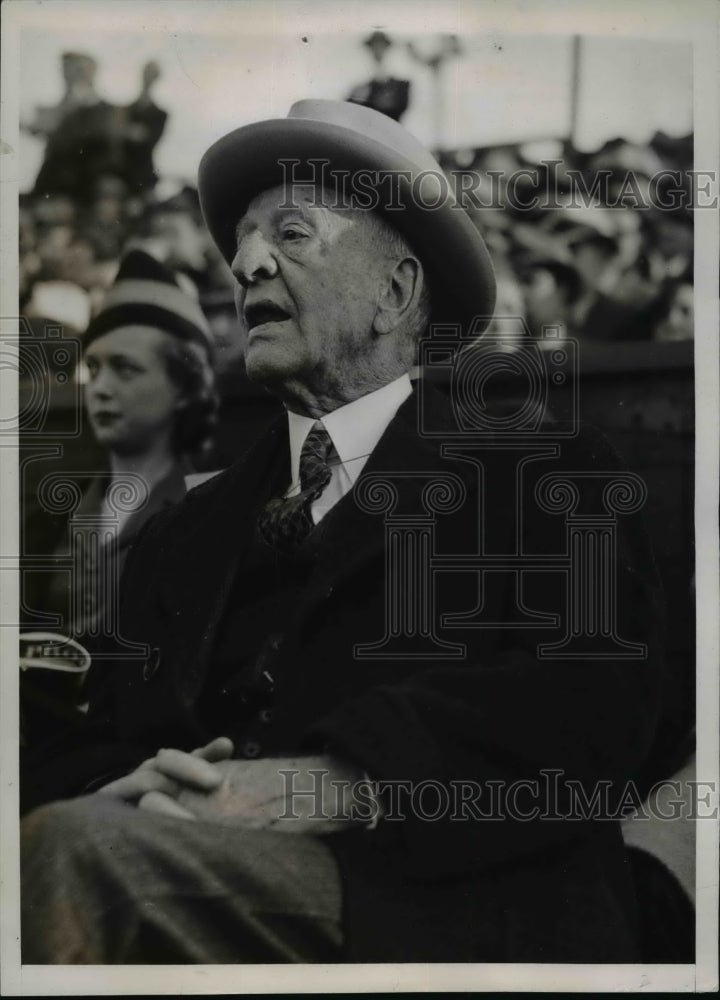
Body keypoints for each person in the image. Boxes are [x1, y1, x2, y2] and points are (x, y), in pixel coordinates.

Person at [21, 100, 665, 964]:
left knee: (74, 856)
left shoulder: (541, 470)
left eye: (290, 233)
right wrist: (115, 783)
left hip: (450, 921)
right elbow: (106, 735)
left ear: (394, 293)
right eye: (242, 241)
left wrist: (342, 782)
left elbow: (607, 707)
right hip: (165, 875)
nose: (246, 263)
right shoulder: (181, 535)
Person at [21, 249, 217, 746]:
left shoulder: (210, 512)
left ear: (184, 387)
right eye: (94, 367)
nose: (100, 388)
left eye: (126, 370)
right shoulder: (49, 517)